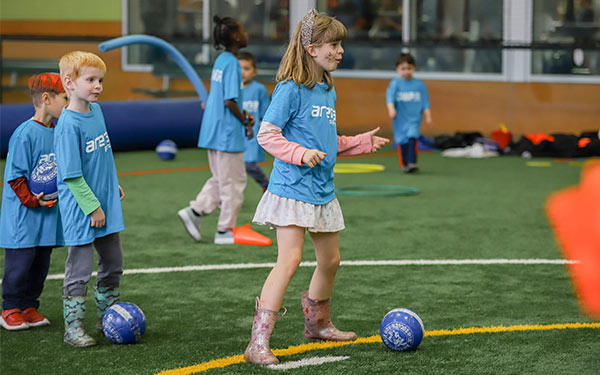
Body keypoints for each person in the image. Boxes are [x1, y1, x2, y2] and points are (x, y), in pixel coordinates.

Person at [244, 9, 389, 365]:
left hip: (323, 191)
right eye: (333, 44)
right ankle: (258, 342)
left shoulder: (326, 88)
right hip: (292, 189)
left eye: (341, 45)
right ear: (311, 49)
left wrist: (358, 144)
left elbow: (325, 140)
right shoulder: (290, 88)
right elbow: (267, 134)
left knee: (331, 260)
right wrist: (299, 153)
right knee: (289, 259)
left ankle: (317, 325)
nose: (339, 51)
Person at [55, 51, 125, 347]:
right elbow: (71, 175)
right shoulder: (68, 125)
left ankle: (106, 318)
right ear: (70, 83)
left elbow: (102, 157)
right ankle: (73, 329)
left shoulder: (97, 111)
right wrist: (93, 206)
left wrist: (113, 184)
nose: (97, 85)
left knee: (113, 261)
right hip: (84, 209)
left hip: (105, 203)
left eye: (100, 80)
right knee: (80, 269)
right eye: (91, 80)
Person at [178, 16, 254, 245]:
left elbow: (226, 98)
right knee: (234, 181)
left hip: (214, 130)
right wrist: (244, 121)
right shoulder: (232, 63)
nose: (246, 33)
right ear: (234, 36)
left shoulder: (221, 60)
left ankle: (195, 212)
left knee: (222, 179)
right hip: (227, 133)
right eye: (243, 30)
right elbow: (230, 101)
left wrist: (244, 115)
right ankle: (224, 230)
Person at [0, 73, 68, 331]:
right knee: (20, 264)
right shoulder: (24, 134)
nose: (69, 104)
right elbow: (15, 176)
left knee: (41, 263)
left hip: (48, 214)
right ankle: (10, 309)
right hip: (24, 215)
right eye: (65, 98)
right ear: (46, 98)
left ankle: (29, 306)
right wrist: (31, 200)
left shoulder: (60, 131)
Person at [386, 53, 432, 173]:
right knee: (402, 141)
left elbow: (425, 102)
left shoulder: (419, 85)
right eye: (403, 69)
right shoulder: (395, 83)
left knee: (413, 137)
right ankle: (405, 164)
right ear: (398, 69)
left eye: (409, 68)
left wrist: (428, 117)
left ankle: (412, 162)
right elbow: (390, 98)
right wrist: (391, 110)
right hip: (400, 119)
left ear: (413, 68)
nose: (406, 71)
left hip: (414, 118)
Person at [239, 51, 271, 191]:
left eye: (247, 68)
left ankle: (265, 184)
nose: (242, 72)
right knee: (231, 168)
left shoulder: (259, 89)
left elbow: (266, 113)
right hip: (234, 135)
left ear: (254, 72)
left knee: (249, 165)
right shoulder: (230, 89)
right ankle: (227, 195)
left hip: (252, 136)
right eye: (239, 68)